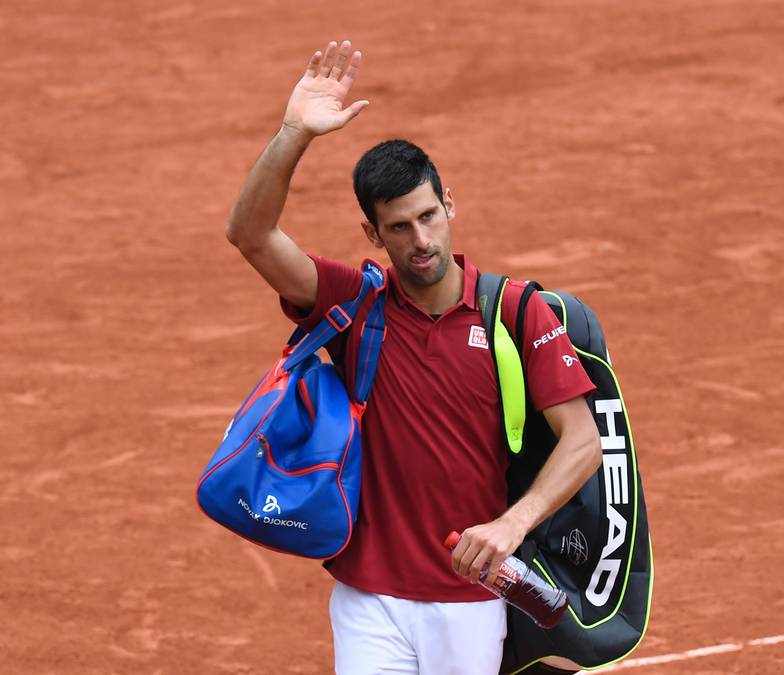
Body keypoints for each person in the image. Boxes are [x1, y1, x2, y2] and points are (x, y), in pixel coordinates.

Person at [224, 40, 603, 675]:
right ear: (373, 234)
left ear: (448, 204)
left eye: (429, 216)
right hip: (370, 595)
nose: (421, 240)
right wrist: (294, 133)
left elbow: (582, 442)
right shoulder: (353, 304)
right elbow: (250, 234)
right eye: (399, 228)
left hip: (472, 597)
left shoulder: (514, 311)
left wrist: (512, 526)